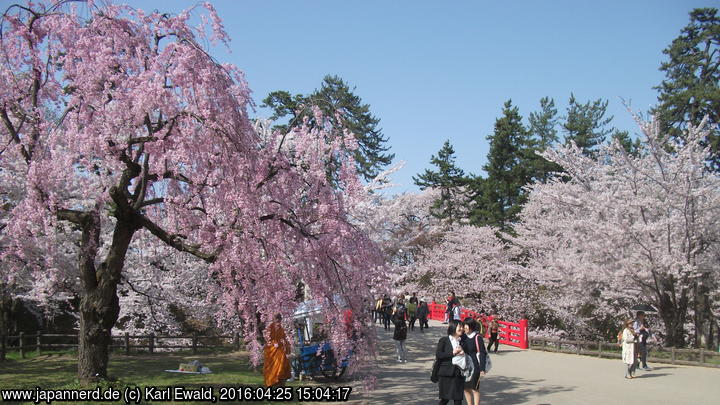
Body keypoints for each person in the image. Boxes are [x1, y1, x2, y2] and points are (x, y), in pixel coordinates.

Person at [435, 320, 466, 405]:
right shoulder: (444, 340)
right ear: (453, 327)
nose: (462, 329)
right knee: (445, 399)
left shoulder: (463, 341)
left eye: (462, 327)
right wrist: (453, 353)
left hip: (459, 374)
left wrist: (464, 354)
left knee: (458, 400)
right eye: (460, 327)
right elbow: (439, 355)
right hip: (446, 374)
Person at [461, 318, 487, 405]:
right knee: (466, 388)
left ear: (471, 326)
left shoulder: (477, 337)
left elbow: (482, 353)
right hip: (465, 366)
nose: (464, 327)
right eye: (464, 325)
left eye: (466, 325)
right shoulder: (463, 337)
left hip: (475, 366)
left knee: (474, 388)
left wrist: (482, 368)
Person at [263, 313, 291, 387]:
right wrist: (272, 343)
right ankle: (272, 382)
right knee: (271, 367)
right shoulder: (269, 328)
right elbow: (267, 338)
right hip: (271, 351)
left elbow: (284, 338)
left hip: (280, 351)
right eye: (276, 319)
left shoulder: (282, 329)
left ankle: (280, 383)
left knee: (281, 366)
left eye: (279, 319)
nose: (278, 321)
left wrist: (284, 343)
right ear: (274, 319)